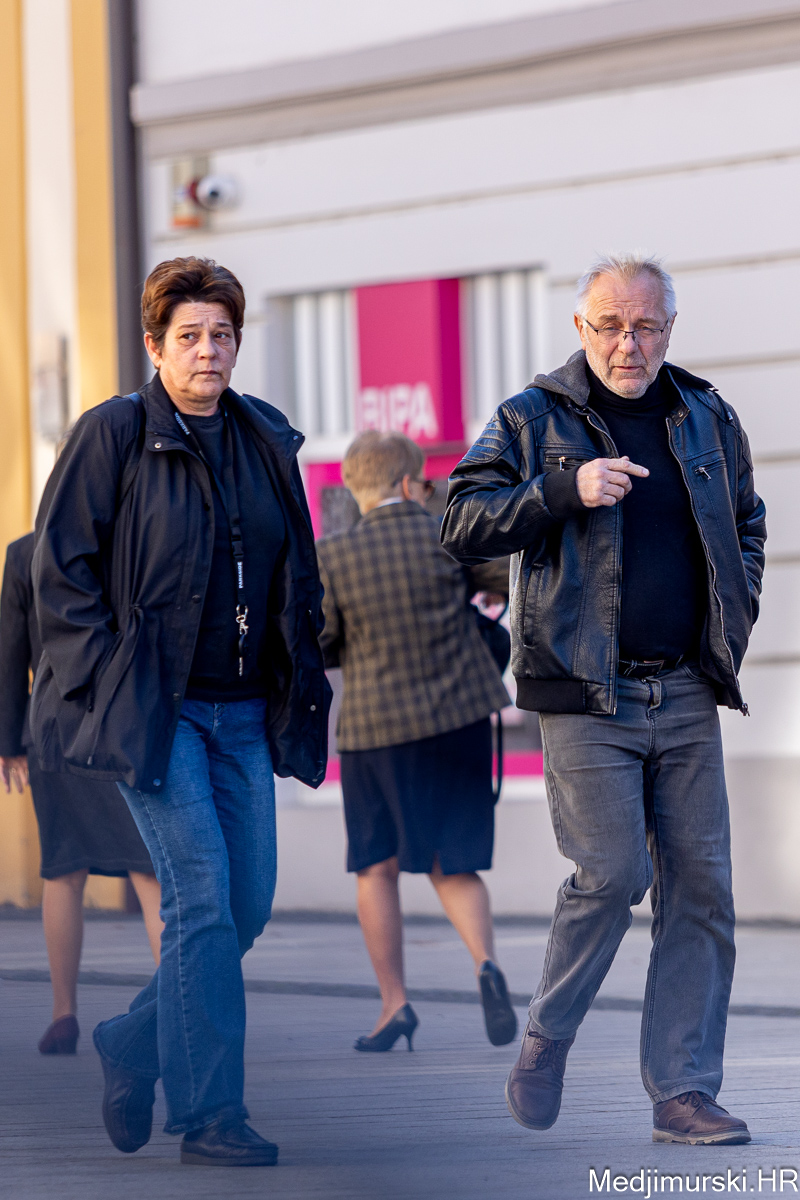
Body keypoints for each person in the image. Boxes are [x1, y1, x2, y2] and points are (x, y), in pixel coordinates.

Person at [442, 254, 766, 1145]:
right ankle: (546, 1038)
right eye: (611, 325)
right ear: (581, 328)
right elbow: (461, 519)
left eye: (647, 325)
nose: (630, 343)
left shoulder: (707, 415)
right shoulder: (532, 416)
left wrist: (735, 615)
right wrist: (562, 489)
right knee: (614, 874)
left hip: (687, 687)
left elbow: (746, 521)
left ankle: (683, 1091)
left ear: (670, 328)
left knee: (702, 890)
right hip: (586, 692)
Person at [31, 256, 331, 1168]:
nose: (209, 351)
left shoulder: (265, 436)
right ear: (155, 346)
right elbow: (60, 571)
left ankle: (131, 1040)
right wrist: (105, 679)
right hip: (159, 714)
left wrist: (300, 665)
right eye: (190, 336)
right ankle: (210, 1113)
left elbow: (295, 570)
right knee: (200, 899)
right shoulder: (115, 433)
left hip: (244, 712)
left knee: (245, 907)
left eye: (222, 334)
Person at [316, 431, 517, 1052]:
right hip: (459, 721)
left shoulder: (334, 555)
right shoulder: (448, 535)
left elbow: (321, 643)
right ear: (408, 482)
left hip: (376, 733)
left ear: (356, 489)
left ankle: (394, 1004)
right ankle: (486, 963)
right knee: (452, 863)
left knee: (375, 868)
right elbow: (510, 581)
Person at [0, 533, 161, 1055]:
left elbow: (9, 655)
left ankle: (62, 1013)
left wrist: (9, 742)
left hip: (52, 731)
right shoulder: (130, 539)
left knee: (62, 872)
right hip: (125, 730)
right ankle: (175, 1013)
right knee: (149, 871)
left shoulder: (25, 553)